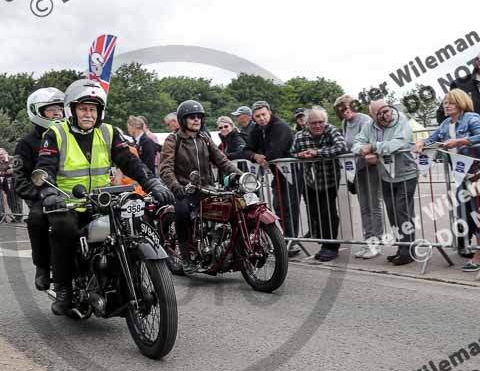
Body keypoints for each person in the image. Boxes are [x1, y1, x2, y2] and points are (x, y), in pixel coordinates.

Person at [34, 79, 173, 316]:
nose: (88, 114)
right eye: (83, 108)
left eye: (93, 109)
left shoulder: (109, 131)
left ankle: (124, 281)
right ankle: (65, 288)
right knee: (63, 228)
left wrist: (152, 183)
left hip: (102, 201)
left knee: (132, 224)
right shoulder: (56, 133)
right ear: (72, 110)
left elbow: (129, 161)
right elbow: (45, 166)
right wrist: (49, 192)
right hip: (69, 202)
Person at [415, 89, 480, 271]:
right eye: (445, 103)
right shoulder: (445, 124)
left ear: (460, 102)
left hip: (477, 173)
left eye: (450, 102)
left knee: (478, 214)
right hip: (461, 176)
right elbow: (432, 139)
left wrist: (460, 142)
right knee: (469, 213)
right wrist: (421, 143)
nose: (446, 106)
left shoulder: (472, 118)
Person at [159, 100, 242, 272]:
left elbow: (221, 160)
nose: (196, 120)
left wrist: (241, 176)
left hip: (207, 188)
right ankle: (186, 258)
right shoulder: (173, 140)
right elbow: (165, 168)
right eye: (192, 117)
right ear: (183, 119)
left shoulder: (204, 138)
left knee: (232, 207)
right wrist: (176, 187)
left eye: (199, 117)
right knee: (181, 213)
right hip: (184, 189)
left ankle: (230, 250)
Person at [352, 101, 419, 265]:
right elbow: (356, 144)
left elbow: (399, 143)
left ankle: (408, 251)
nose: (385, 115)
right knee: (392, 213)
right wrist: (363, 151)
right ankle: (401, 247)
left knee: (402, 210)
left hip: (406, 174)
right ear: (371, 116)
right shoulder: (368, 126)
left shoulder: (400, 119)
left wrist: (373, 147)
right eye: (379, 114)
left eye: (386, 111)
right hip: (386, 175)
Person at [13, 88, 66, 291]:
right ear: (36, 112)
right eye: (51, 110)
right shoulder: (25, 144)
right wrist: (41, 195)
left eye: (60, 108)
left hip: (76, 194)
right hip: (45, 197)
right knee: (36, 219)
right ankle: (42, 266)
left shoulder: (72, 135)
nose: (58, 113)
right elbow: (20, 179)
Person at [242, 100, 301, 256]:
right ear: (253, 118)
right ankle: (286, 239)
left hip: (291, 171)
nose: (261, 118)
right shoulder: (256, 130)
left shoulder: (280, 126)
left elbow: (276, 151)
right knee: (279, 205)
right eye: (258, 116)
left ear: (270, 113)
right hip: (277, 174)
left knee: (290, 206)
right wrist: (255, 156)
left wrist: (262, 156)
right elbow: (246, 150)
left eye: (263, 114)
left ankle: (291, 241)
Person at [291, 108, 347, 261]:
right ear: (307, 123)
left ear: (325, 122)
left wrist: (318, 153)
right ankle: (323, 243)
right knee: (314, 213)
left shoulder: (331, 131)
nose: (317, 126)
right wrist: (300, 155)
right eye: (313, 123)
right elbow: (291, 153)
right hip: (310, 181)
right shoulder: (300, 136)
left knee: (327, 213)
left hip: (329, 179)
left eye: (320, 122)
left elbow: (341, 147)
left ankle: (331, 246)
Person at [334, 94, 384, 258]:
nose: (345, 111)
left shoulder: (364, 120)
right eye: (341, 109)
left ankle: (376, 243)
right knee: (363, 207)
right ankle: (367, 241)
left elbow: (375, 140)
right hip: (356, 170)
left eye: (347, 107)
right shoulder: (344, 123)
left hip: (370, 167)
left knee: (374, 205)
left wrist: (370, 153)